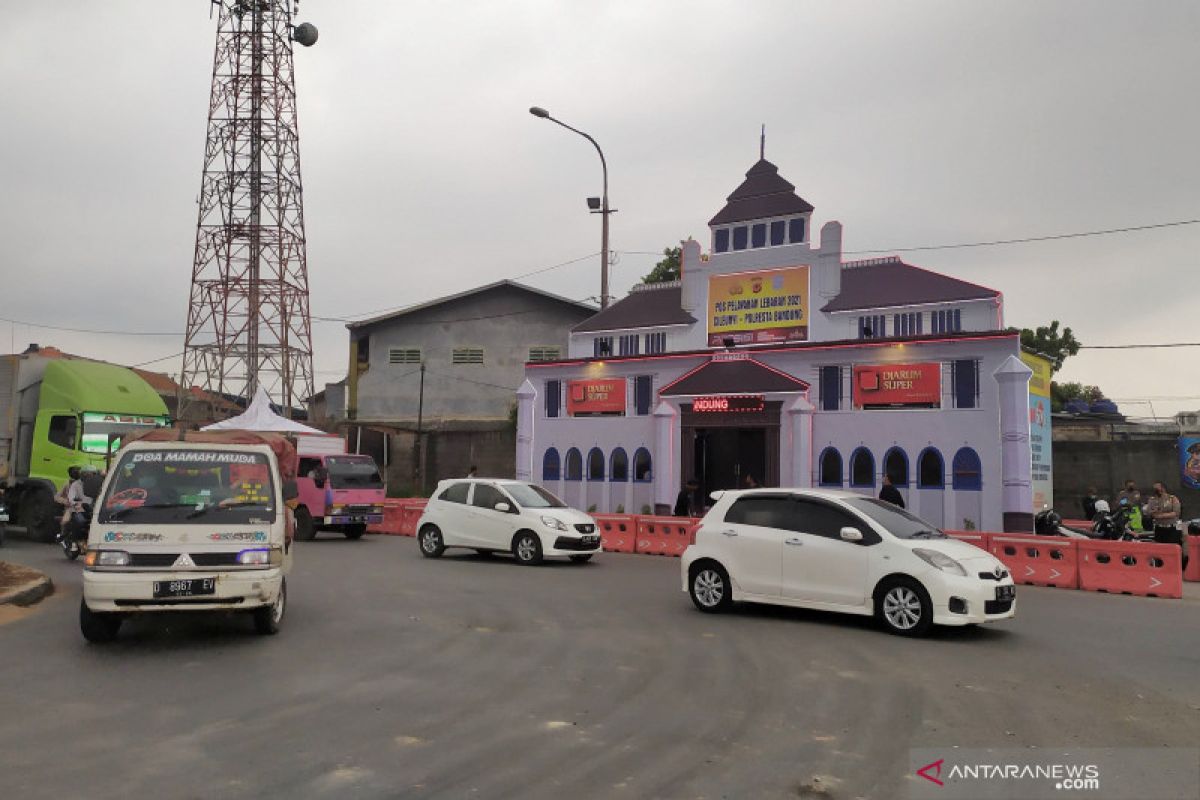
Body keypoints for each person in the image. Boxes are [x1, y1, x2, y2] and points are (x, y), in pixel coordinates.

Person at [1146, 481, 1183, 554]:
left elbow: (1176, 513)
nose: (1155, 490)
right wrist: (1153, 512)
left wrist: (1161, 516)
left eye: (1157, 488)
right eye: (1154, 488)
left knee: (1173, 550)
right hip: (1159, 529)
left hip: (1173, 528)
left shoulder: (1172, 498)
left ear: (1163, 488)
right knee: (1160, 551)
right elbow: (1149, 512)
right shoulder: (1152, 500)